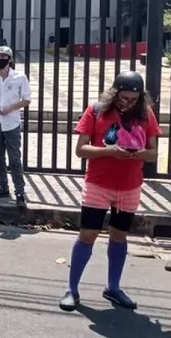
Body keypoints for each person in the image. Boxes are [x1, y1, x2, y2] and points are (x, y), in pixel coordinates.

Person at [59, 71, 161, 312]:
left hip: (130, 186)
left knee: (119, 236)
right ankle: (72, 289)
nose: (128, 103)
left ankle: (113, 288)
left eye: (133, 99)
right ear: (114, 94)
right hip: (98, 184)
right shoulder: (96, 111)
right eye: (123, 98)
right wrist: (109, 151)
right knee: (87, 234)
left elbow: (154, 152)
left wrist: (138, 153)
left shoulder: (146, 114)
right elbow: (81, 150)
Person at [0, 45, 31, 208]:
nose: (0, 60)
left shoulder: (20, 77)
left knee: (15, 158)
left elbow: (26, 99)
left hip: (11, 123)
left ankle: (19, 191)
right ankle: (3, 187)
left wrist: (10, 108)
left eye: (3, 57)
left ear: (10, 60)